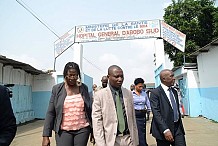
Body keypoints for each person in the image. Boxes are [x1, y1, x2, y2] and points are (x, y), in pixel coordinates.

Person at [42, 62, 92, 146]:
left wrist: (93, 131)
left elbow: (89, 109)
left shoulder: (83, 88)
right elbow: (50, 113)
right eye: (70, 75)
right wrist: (46, 136)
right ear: (65, 75)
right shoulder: (57, 89)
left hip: (82, 130)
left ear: (78, 75)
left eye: (75, 75)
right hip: (63, 130)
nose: (72, 78)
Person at [92, 65, 139, 146]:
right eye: (116, 77)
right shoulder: (100, 95)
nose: (120, 79)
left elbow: (133, 119)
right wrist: (101, 143)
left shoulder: (128, 93)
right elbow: (97, 122)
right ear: (108, 77)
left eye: (122, 76)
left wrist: (136, 140)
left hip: (129, 139)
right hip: (111, 140)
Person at [149, 69, 186, 146]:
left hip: (177, 128)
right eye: (171, 76)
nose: (174, 78)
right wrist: (165, 130)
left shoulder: (174, 91)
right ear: (164, 79)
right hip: (163, 130)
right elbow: (156, 113)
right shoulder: (155, 93)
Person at [132, 78, 151, 146]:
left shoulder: (144, 94)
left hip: (142, 115)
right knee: (137, 132)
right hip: (135, 115)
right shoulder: (131, 94)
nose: (141, 88)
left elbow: (147, 103)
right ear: (135, 86)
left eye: (142, 86)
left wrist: (149, 111)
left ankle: (143, 143)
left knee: (143, 131)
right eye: (139, 86)